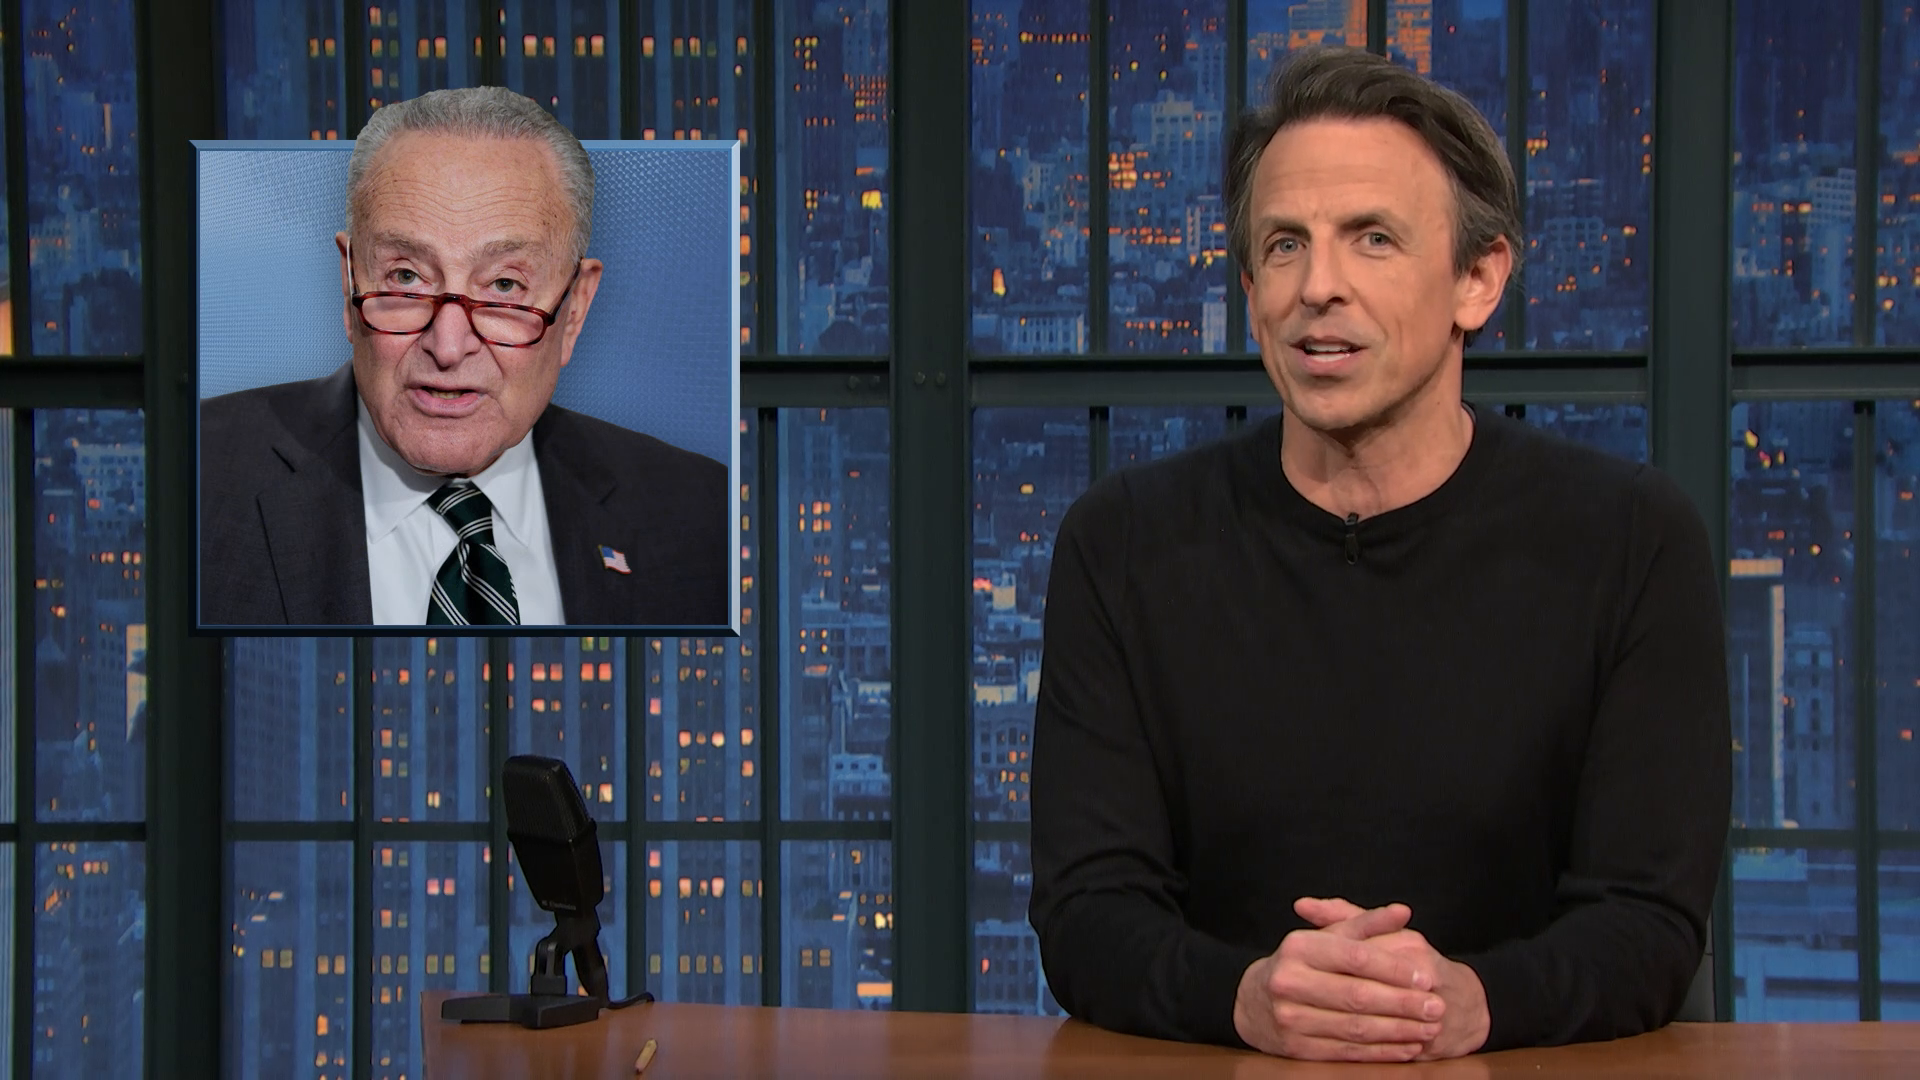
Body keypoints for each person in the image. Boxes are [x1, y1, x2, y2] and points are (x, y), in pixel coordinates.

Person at [1027, 46, 1730, 1063]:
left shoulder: (1631, 541)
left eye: (1373, 240)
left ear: (1478, 280)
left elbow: (1648, 920)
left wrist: (1471, 1003)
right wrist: (1248, 999)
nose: (1319, 287)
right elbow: (1087, 910)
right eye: (1284, 246)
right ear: (1249, 288)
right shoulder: (1125, 544)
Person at [200, 86, 727, 627]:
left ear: (574, 310)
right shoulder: (193, 479)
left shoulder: (701, 513)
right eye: (406, 277)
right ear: (350, 281)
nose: (448, 347)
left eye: (504, 285)